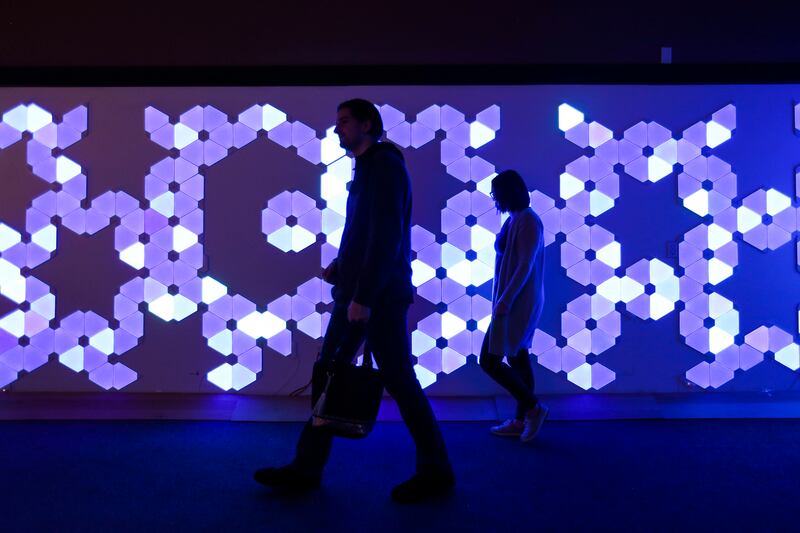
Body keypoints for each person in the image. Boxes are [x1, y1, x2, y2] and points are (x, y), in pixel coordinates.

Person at [254, 99, 454, 503]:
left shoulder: (383, 165)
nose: (337, 129)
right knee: (340, 374)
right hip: (366, 292)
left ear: (368, 124)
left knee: (390, 378)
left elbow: (385, 236)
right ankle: (309, 467)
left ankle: (434, 470)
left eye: (344, 122)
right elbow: (368, 233)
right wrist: (342, 265)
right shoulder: (371, 166)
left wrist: (362, 295)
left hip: (374, 297)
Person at [479, 169, 548, 442]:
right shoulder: (515, 220)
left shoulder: (529, 221)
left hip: (519, 302)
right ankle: (521, 419)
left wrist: (506, 300)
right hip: (511, 299)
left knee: (489, 359)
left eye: (497, 193)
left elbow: (524, 264)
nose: (495, 199)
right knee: (518, 358)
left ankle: (532, 409)